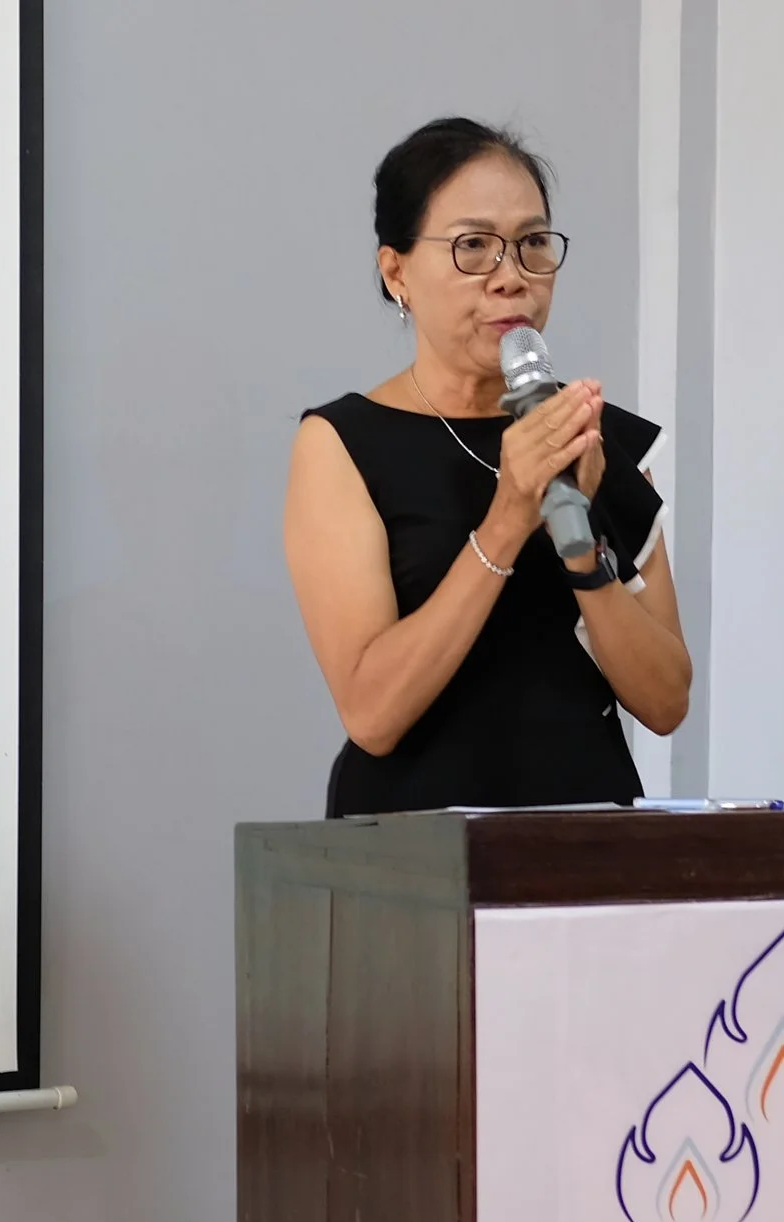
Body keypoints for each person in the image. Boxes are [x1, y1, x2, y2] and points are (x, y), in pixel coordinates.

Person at [287, 119, 691, 815]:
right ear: (397, 271)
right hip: (414, 852)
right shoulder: (344, 443)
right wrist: (508, 519)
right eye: (474, 247)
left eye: (533, 244)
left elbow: (665, 700)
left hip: (586, 843)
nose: (511, 278)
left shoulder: (595, 437)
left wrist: (580, 540)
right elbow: (372, 715)